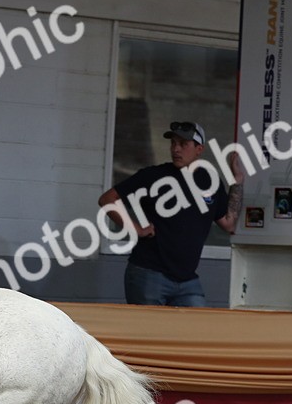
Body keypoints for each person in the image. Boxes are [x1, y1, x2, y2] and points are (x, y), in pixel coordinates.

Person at [99, 121, 244, 307]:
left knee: (195, 331)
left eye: (183, 144)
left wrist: (237, 181)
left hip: (187, 280)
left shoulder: (210, 180)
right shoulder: (153, 176)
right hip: (149, 274)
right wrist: (136, 229)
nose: (176, 149)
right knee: (148, 334)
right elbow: (107, 199)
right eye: (173, 143)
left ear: (199, 149)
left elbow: (228, 223)